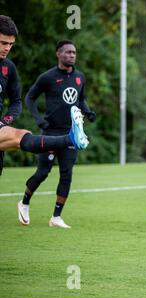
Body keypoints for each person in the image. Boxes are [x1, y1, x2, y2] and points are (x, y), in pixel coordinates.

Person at [17, 39, 96, 229]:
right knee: (43, 172)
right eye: (68, 52)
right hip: (50, 133)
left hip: (71, 134)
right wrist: (38, 119)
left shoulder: (80, 77)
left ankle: (56, 217)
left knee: (66, 174)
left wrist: (88, 111)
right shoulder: (48, 77)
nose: (72, 55)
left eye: (74, 53)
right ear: (58, 54)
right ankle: (25, 202)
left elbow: (80, 99)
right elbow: (30, 97)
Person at [0, 15, 88, 178]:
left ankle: (72, 139)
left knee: (20, 135)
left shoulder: (8, 68)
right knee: (19, 137)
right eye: (3, 43)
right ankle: (70, 139)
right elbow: (30, 98)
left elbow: (16, 103)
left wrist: (3, 122)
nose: (7, 48)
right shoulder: (48, 77)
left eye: (11, 44)